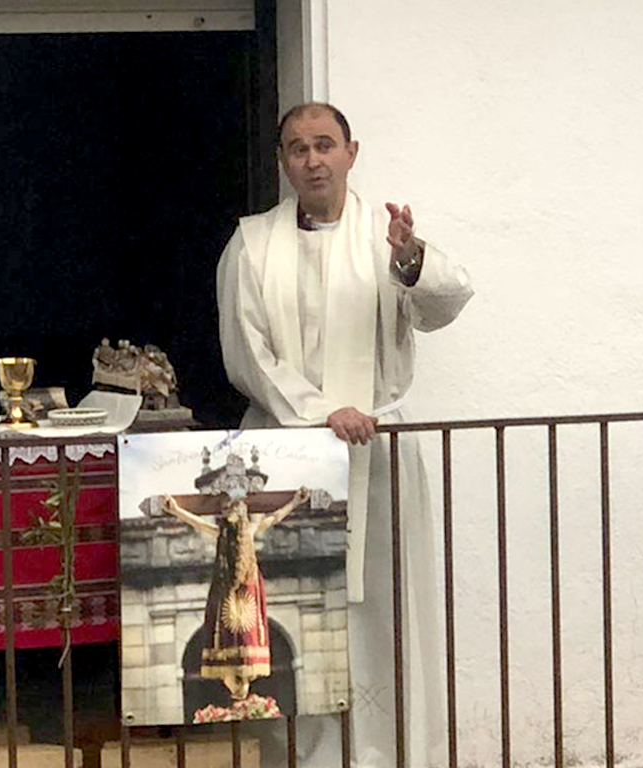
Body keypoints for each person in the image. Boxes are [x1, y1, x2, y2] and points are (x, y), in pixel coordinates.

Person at [216, 102, 474, 767]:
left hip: (376, 459)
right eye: (298, 148)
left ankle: (389, 755)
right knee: (296, 617)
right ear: (283, 162)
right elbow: (247, 355)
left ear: (351, 153)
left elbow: (445, 303)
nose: (313, 160)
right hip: (284, 457)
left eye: (325, 145)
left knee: (384, 612)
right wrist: (322, 412)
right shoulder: (251, 245)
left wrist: (410, 258)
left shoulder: (385, 240)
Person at [161, 485, 311, 702]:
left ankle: (240, 686)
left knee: (241, 635)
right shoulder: (224, 532)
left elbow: (275, 517)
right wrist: (176, 510)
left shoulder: (250, 529)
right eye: (228, 508)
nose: (232, 512)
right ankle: (238, 686)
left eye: (235, 508)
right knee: (231, 635)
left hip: (245, 585)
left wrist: (295, 502)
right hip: (227, 585)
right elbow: (200, 524)